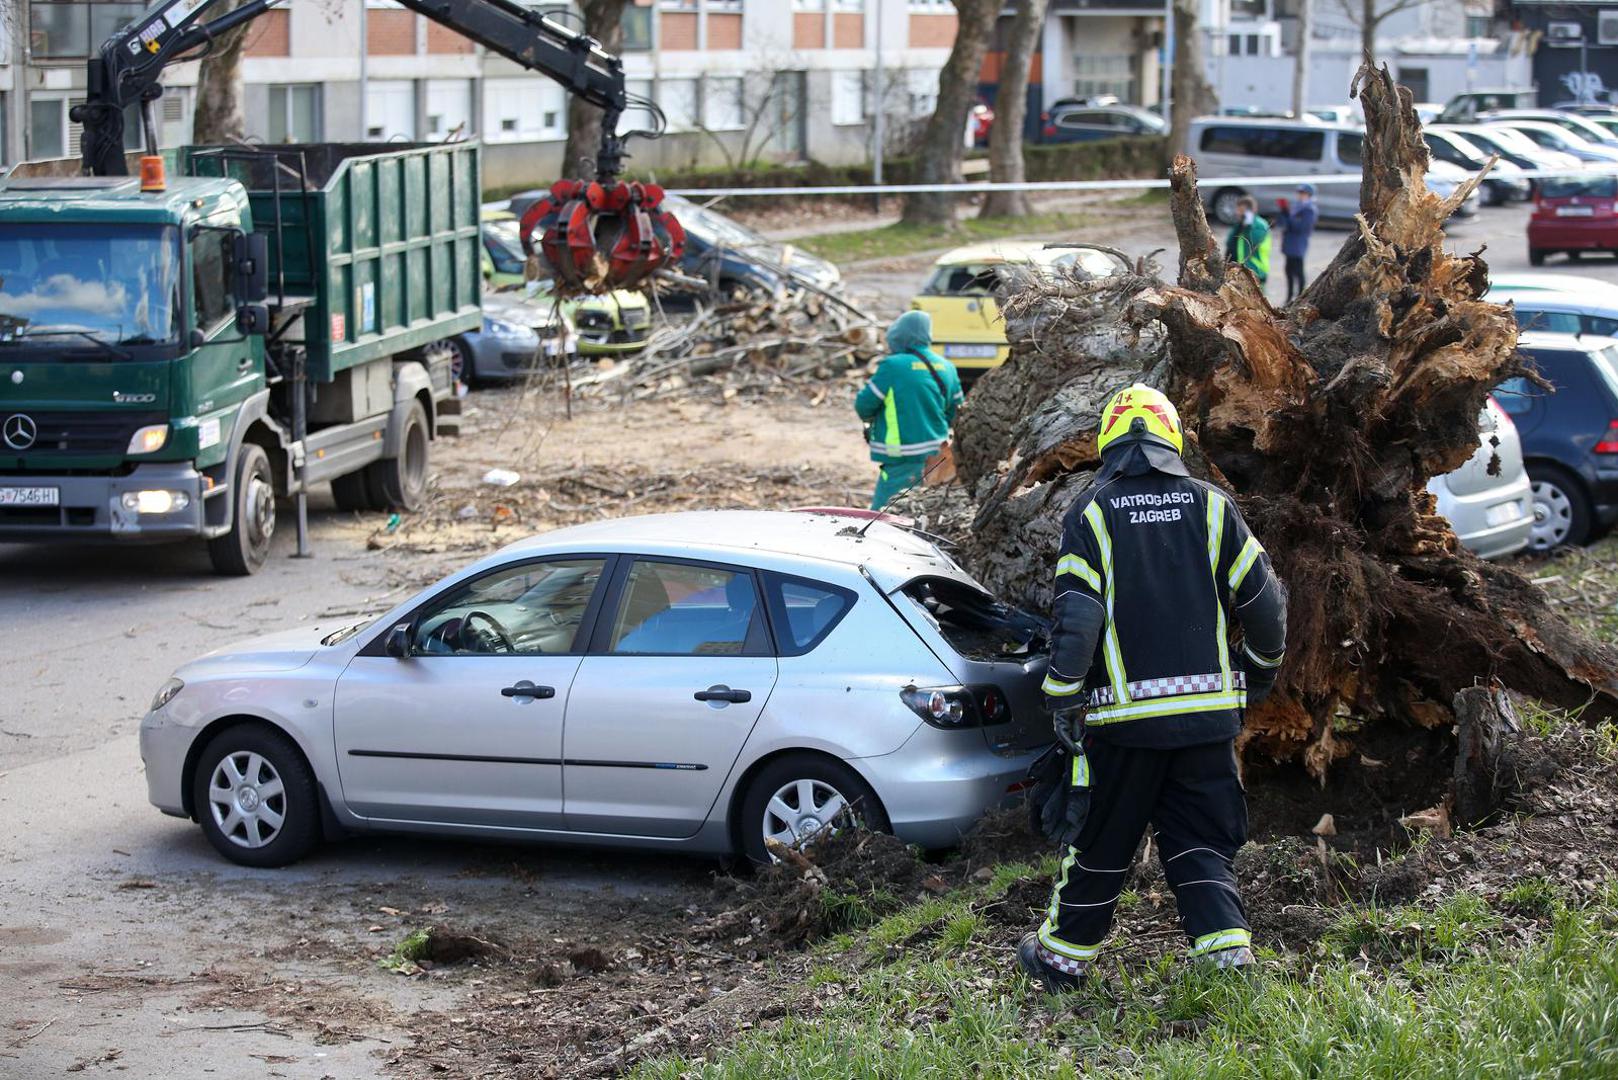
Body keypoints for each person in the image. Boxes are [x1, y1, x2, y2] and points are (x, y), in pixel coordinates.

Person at [1016, 384, 1288, 992]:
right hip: (1208, 721)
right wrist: (1260, 667)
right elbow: (1265, 601)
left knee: (1102, 839)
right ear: (1173, 439)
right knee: (1201, 840)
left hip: (1123, 723)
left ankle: (1060, 958)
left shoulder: (1091, 512)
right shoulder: (1213, 507)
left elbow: (1079, 617)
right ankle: (1226, 956)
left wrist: (1062, 695)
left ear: (1110, 444)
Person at [854, 310, 964, 510]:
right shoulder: (947, 367)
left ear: (899, 336)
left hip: (902, 457)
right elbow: (957, 413)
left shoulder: (893, 366)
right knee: (926, 512)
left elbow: (864, 405)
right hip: (938, 457)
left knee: (883, 516)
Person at [1275, 183, 1318, 303]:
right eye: (1299, 193)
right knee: (1288, 270)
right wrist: (1284, 213)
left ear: (1309, 195)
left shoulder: (1309, 210)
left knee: (1298, 271)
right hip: (1290, 242)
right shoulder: (1296, 207)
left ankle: (1300, 296)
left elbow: (1301, 227)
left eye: (1303, 194)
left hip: (1298, 243)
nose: (1300, 196)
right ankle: (1289, 296)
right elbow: (1284, 224)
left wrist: (1288, 217)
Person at [1223, 196, 1271, 286]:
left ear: (1250, 211)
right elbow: (1230, 243)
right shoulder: (1240, 225)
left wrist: (1248, 226)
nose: (1238, 213)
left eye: (1241, 210)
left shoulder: (1260, 225)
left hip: (1256, 271)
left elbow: (1253, 242)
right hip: (1241, 271)